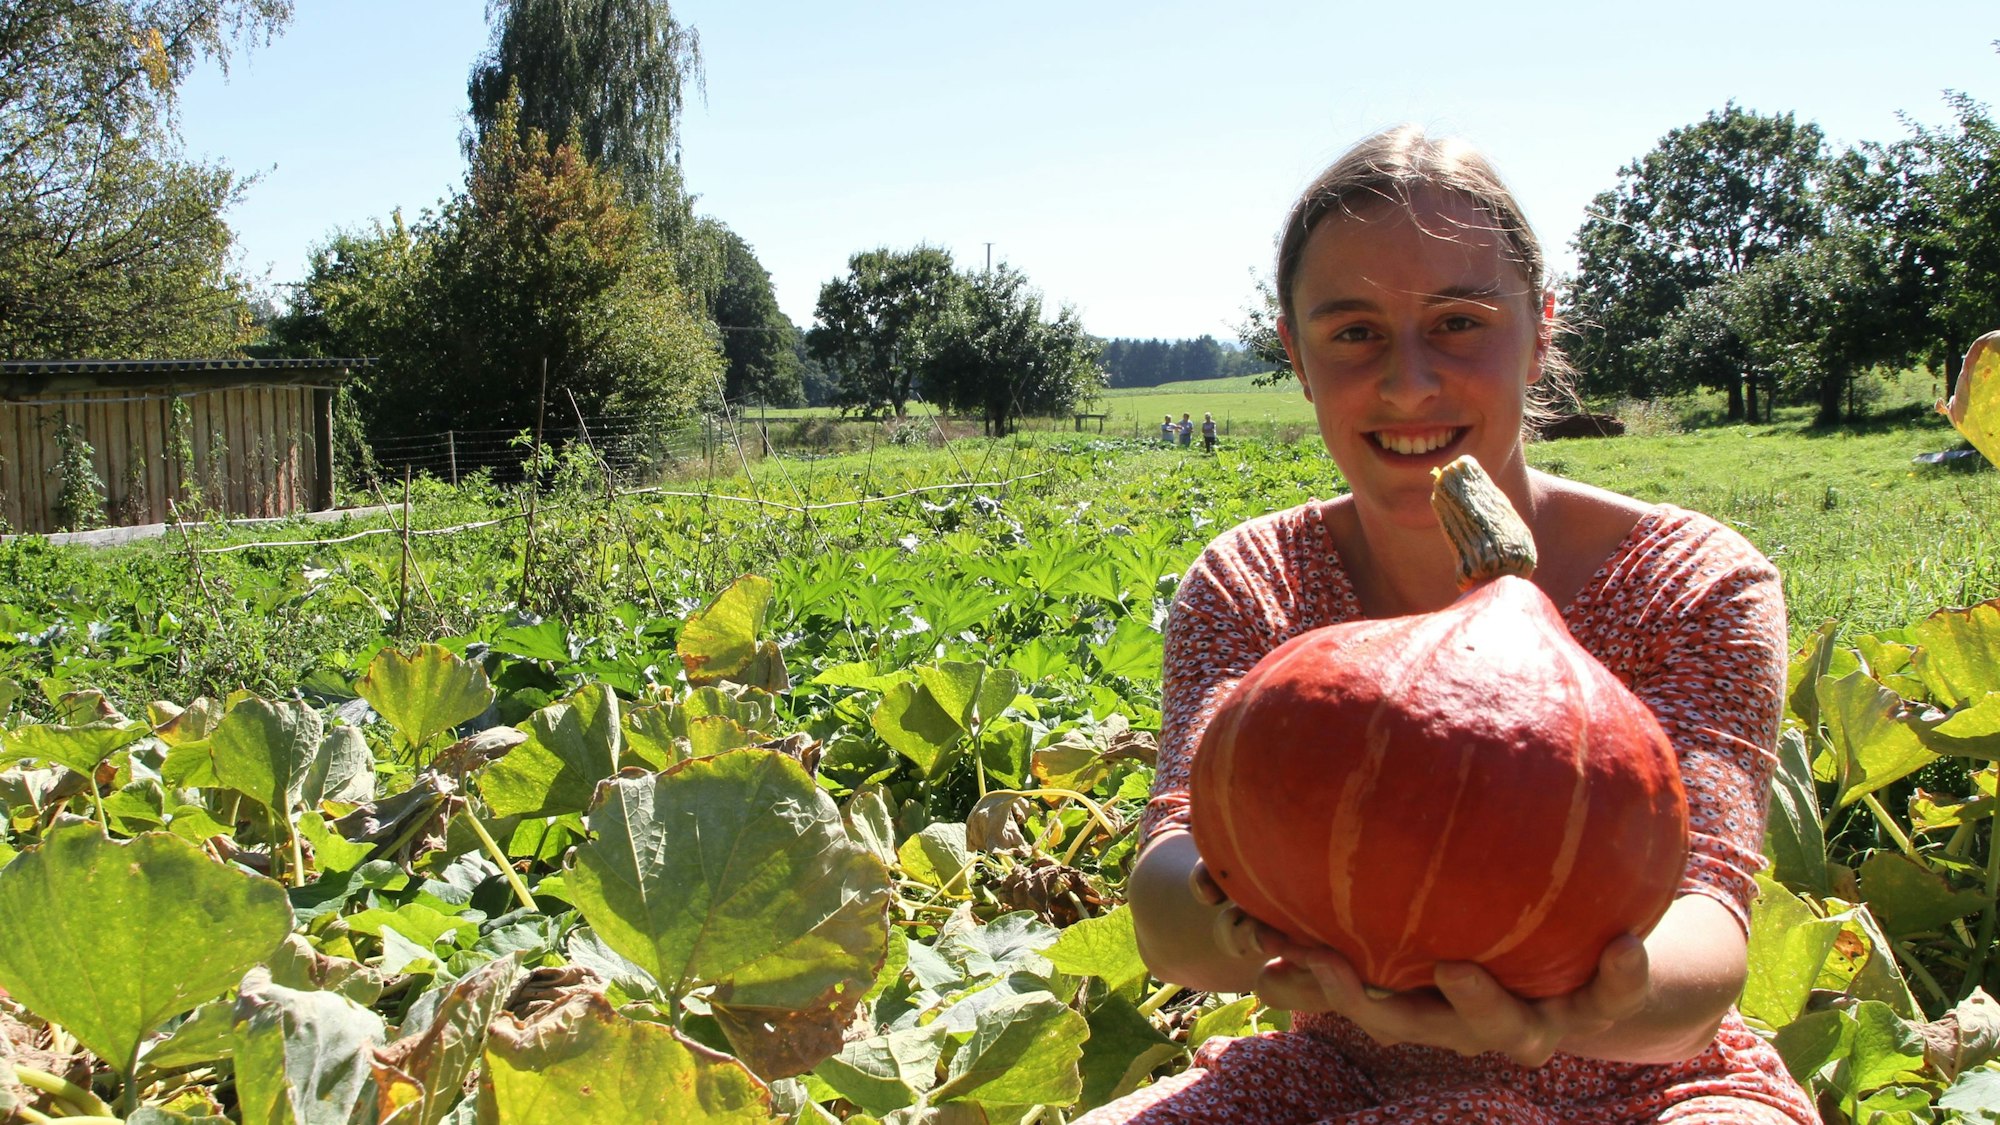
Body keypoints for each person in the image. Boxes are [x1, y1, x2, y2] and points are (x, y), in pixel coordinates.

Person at [1081, 126, 1816, 1124]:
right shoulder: (1254, 582)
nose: (1407, 381)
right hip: (1336, 1076)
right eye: (1351, 332)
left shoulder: (1691, 585)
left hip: (1655, 1088)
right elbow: (1172, 878)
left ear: (1541, 330)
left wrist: (1561, 1015)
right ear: (1295, 355)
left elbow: (1707, 933)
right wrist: (1237, 935)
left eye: (1460, 322)